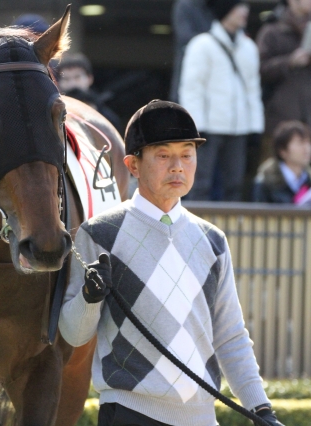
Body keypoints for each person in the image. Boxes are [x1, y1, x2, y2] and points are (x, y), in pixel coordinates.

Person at [59, 100, 283, 426]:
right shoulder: (99, 234)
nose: (178, 166)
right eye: (163, 155)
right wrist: (88, 299)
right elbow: (73, 334)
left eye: (187, 154)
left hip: (203, 418)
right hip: (128, 414)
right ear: (133, 166)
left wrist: (261, 409)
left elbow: (231, 336)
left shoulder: (213, 241)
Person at [179, 0, 263, 201]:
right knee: (199, 183)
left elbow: (253, 89)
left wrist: (255, 127)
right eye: (238, 6)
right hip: (208, 127)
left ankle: (230, 230)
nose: (245, 11)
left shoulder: (249, 47)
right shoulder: (201, 45)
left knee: (234, 184)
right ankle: (193, 231)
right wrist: (196, 126)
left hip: (239, 128)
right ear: (226, 10)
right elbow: (192, 89)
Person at [256, 0, 311, 143]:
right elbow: (259, 69)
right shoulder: (272, 30)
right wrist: (290, 62)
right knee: (275, 163)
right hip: (280, 118)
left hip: (307, 115)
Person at [56, 52, 122, 132]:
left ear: (90, 78)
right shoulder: (54, 114)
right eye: (66, 79)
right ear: (58, 83)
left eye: (77, 77)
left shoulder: (106, 116)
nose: (72, 83)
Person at [254, 120, 311, 203]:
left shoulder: (308, 180)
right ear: (282, 151)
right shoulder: (266, 182)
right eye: (300, 143)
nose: (307, 149)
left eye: (308, 142)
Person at [169, 0, 214, 102]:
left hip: (212, 82)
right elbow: (184, 37)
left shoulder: (214, 6)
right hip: (188, 77)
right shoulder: (184, 5)